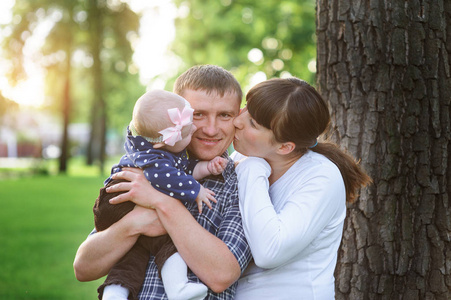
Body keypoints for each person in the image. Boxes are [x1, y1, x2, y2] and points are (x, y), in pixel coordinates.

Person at [73, 65, 252, 300]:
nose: (210, 129)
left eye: (224, 115)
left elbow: (221, 275)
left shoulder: (241, 183)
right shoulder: (143, 169)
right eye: (198, 114)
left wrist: (158, 201)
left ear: (237, 117)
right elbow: (84, 267)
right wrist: (134, 223)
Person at [231, 77, 371, 299]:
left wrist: (251, 168)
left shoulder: (321, 177)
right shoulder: (244, 155)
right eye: (245, 109)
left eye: (253, 123)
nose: (237, 120)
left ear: (285, 147)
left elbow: (270, 251)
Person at [95, 89, 228, 300]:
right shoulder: (155, 159)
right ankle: (178, 287)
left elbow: (183, 169)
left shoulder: (153, 144)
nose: (194, 128)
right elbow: (167, 178)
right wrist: (196, 190)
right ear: (163, 143)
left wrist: (207, 168)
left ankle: (114, 295)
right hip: (120, 203)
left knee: (131, 254)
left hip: (117, 201)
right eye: (186, 131)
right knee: (167, 241)